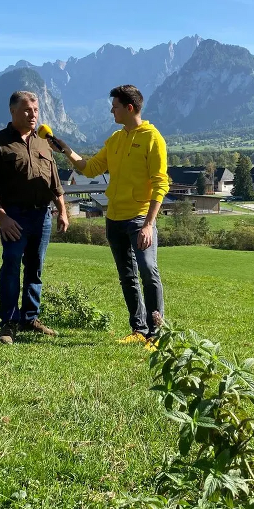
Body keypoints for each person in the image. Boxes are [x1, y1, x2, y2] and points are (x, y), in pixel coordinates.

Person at [48, 85, 168, 344]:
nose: (111, 111)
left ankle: (156, 334)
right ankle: (138, 331)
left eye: (115, 107)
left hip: (139, 219)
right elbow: (89, 168)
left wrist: (149, 224)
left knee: (148, 270)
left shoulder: (152, 138)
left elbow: (160, 183)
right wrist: (66, 150)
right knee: (127, 276)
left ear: (129, 108)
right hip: (114, 218)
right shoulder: (115, 140)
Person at [0, 90, 70, 345]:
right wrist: (3, 218)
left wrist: (62, 210)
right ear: (13, 112)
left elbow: (54, 181)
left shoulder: (43, 142)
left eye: (36, 110)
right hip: (14, 216)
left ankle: (29, 318)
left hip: (42, 216)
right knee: (10, 267)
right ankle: (8, 323)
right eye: (27, 110)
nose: (33, 115)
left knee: (35, 268)